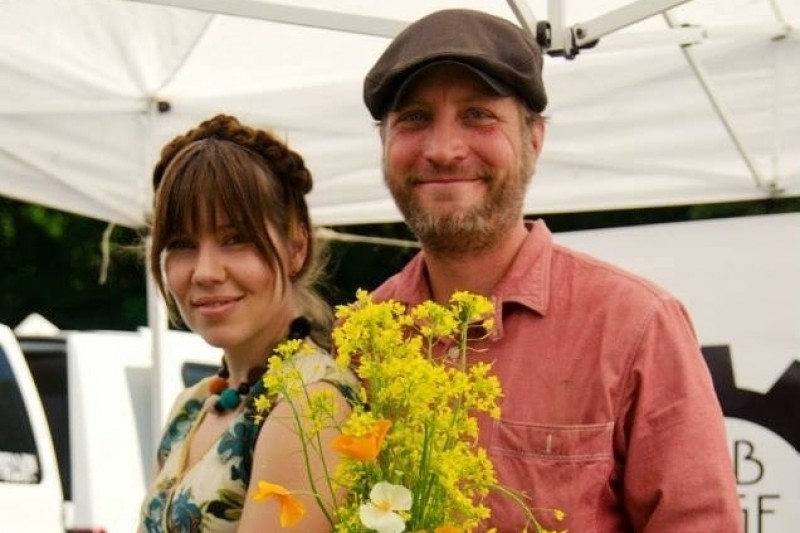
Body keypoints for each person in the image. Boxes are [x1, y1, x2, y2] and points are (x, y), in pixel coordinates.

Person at [362, 9, 742, 533]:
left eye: (478, 115)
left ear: (535, 140)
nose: (443, 149)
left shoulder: (634, 324)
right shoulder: (358, 338)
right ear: (384, 143)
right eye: (414, 118)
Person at [138, 114, 356, 532]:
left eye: (235, 239)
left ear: (296, 246)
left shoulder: (309, 406)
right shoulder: (192, 406)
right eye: (182, 244)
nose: (205, 272)